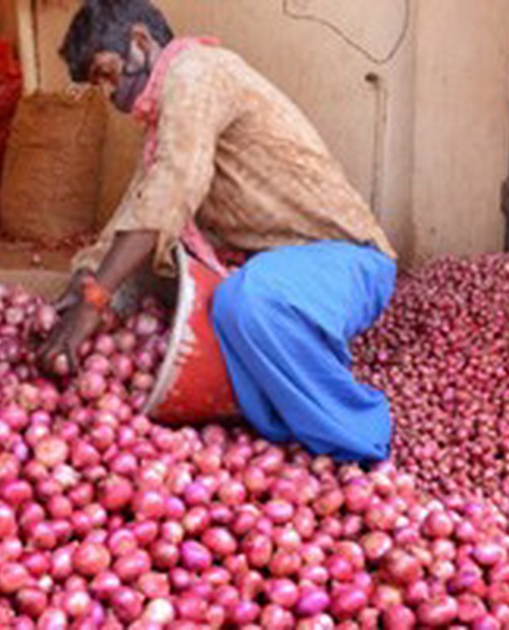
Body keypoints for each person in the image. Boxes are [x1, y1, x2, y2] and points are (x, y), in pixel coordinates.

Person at [36, 0, 399, 462]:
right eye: (99, 84)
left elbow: (168, 192)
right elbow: (138, 209)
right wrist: (85, 277)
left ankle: (361, 444)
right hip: (284, 267)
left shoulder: (197, 74)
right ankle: (289, 435)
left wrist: (93, 304)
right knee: (220, 307)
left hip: (349, 261)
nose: (110, 94)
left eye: (108, 73)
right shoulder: (166, 122)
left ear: (140, 43)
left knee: (247, 302)